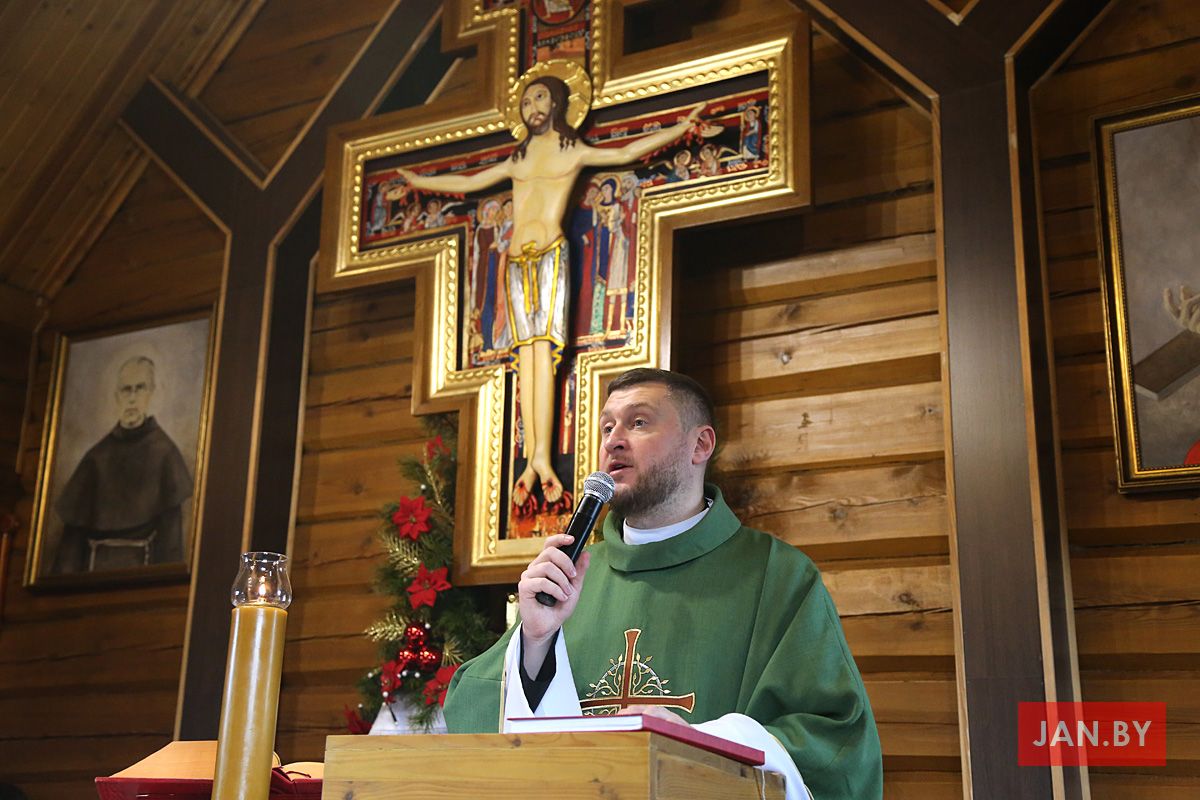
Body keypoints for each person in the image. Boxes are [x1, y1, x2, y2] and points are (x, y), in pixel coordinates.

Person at [443, 368, 884, 799]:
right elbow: (473, 707)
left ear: (700, 445)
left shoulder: (778, 576)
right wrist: (536, 642)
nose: (613, 440)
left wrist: (701, 743)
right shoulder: (571, 576)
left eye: (638, 422)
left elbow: (833, 741)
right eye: (607, 427)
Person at [397, 70, 703, 512]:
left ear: (557, 103)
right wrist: (419, 181)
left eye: (539, 98)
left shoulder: (572, 150)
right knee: (526, 358)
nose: (532, 108)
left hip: (550, 257)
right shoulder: (517, 159)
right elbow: (468, 182)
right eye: (525, 102)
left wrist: (679, 128)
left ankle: (541, 457)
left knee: (545, 355)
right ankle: (533, 458)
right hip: (515, 262)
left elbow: (625, 152)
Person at [52, 356, 192, 573]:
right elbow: (71, 548)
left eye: (140, 388)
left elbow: (171, 547)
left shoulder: (166, 454)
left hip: (146, 579)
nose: (132, 399)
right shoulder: (95, 458)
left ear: (151, 392)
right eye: (126, 390)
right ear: (117, 395)